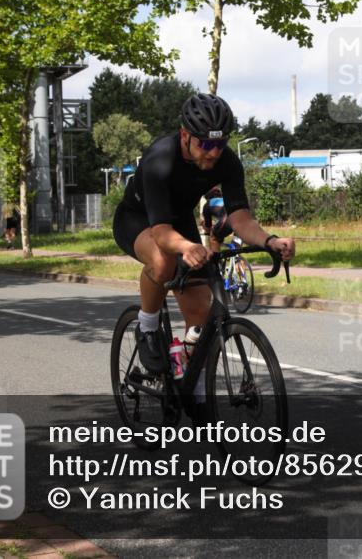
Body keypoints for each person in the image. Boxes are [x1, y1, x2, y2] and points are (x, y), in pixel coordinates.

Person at [112, 93, 295, 375]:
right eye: (206, 144)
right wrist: (188, 247)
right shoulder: (161, 158)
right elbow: (161, 232)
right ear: (185, 135)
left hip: (179, 222)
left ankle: (194, 391)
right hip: (138, 219)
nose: (213, 152)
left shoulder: (227, 162)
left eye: (220, 144)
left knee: (199, 313)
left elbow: (241, 218)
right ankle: (147, 328)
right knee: (163, 262)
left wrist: (269, 240)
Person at [201, 187, 233, 254]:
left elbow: (208, 226)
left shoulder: (207, 204)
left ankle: (216, 261)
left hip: (227, 220)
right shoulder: (225, 200)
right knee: (236, 249)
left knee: (214, 238)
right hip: (242, 220)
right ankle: (237, 262)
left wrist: (205, 227)